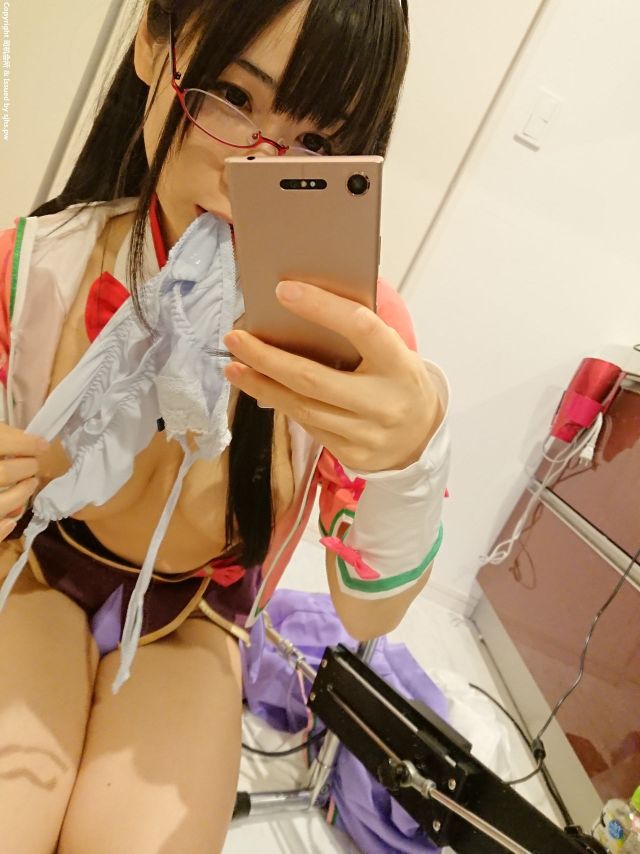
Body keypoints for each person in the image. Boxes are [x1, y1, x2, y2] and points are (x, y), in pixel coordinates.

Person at [0, 1, 450, 851]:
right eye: (232, 98)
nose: (255, 169)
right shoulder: (39, 267)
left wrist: (415, 457)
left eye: (314, 142)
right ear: (153, 44)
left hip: (196, 617)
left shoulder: (352, 337)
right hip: (37, 571)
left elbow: (368, 614)